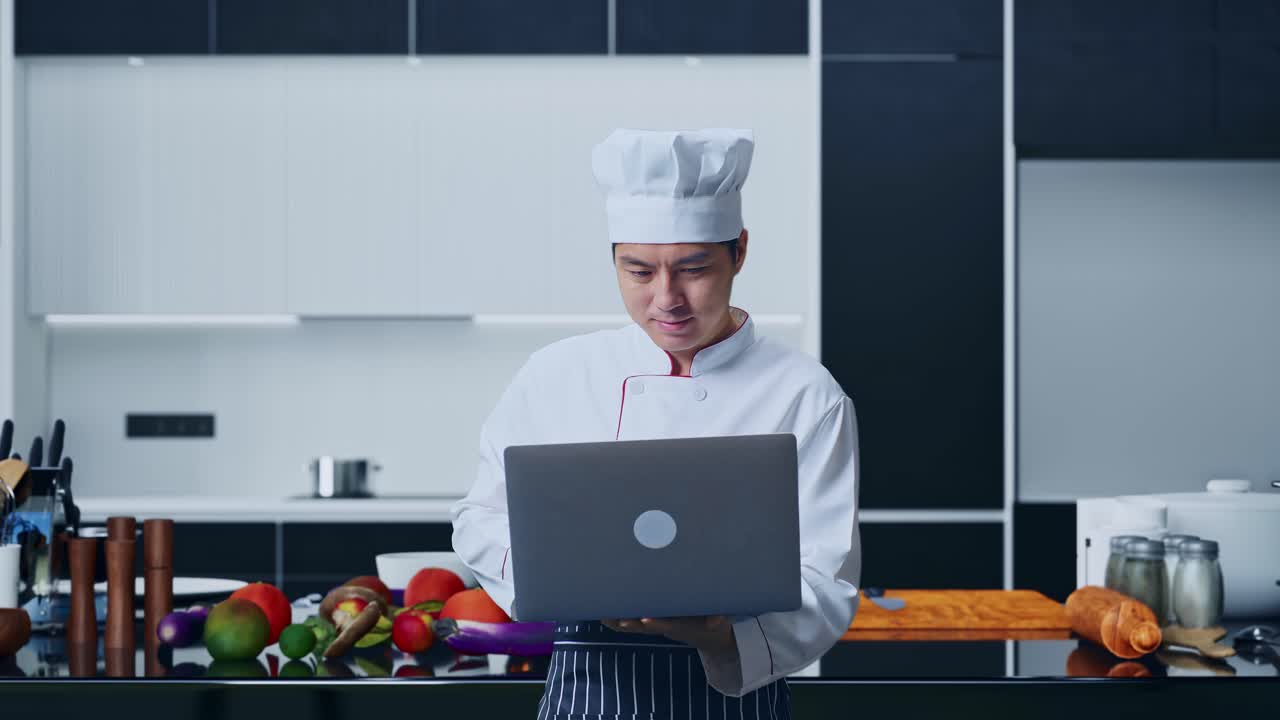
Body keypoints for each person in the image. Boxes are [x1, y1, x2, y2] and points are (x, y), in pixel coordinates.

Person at [452, 128, 860, 719]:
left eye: (693, 269)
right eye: (639, 272)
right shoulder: (556, 375)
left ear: (739, 252)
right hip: (585, 697)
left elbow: (827, 578)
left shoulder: (805, 394)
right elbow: (481, 518)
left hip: (732, 696)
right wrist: (559, 581)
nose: (667, 298)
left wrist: (718, 634)